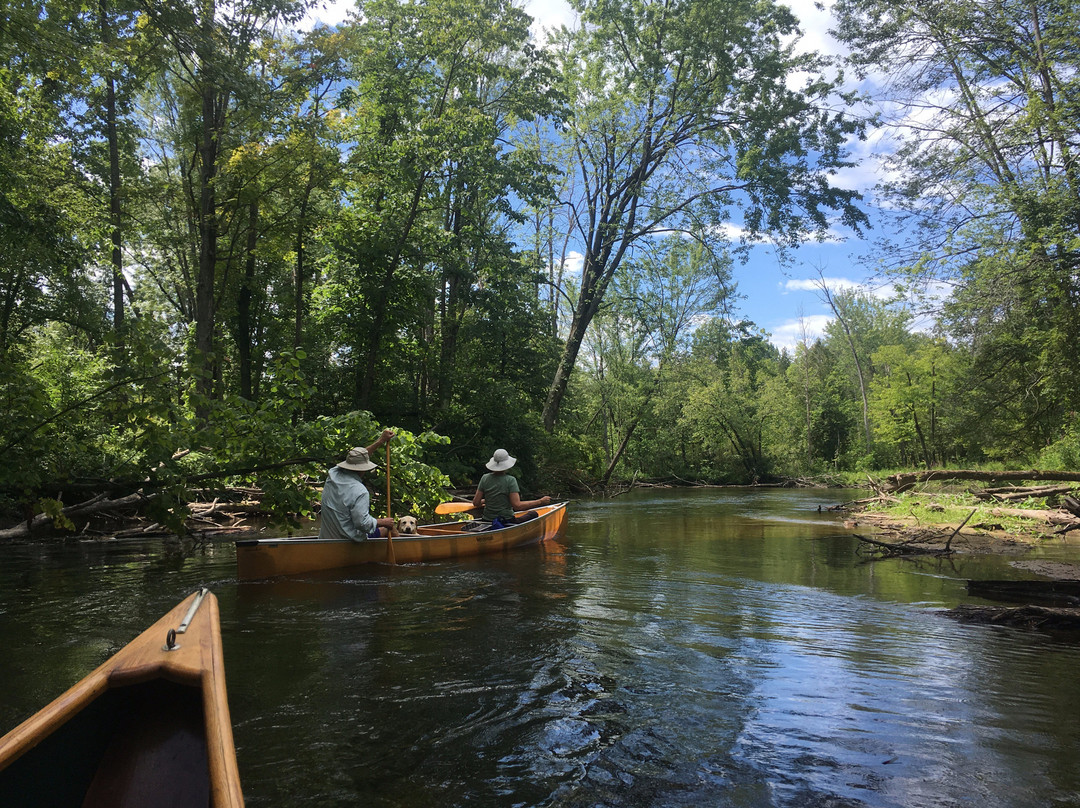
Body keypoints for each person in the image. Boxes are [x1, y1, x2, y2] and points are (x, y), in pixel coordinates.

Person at [319, 429, 396, 542]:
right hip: (349, 542)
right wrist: (383, 522)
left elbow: (359, 456)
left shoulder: (333, 474)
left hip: (326, 540)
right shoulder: (360, 491)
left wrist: (381, 441)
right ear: (363, 469)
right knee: (389, 528)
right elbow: (362, 524)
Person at [472, 449, 551, 526]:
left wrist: (486, 500)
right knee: (533, 514)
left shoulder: (484, 478)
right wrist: (540, 501)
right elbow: (517, 506)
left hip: (486, 520)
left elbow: (476, 502)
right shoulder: (510, 480)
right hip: (506, 521)